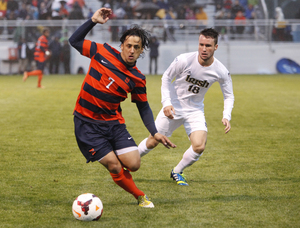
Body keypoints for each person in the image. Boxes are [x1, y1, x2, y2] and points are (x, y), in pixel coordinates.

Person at [69, 8, 176, 208]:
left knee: (134, 164)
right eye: (128, 45)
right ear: (122, 45)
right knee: (114, 165)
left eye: (136, 47)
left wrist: (155, 132)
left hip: (113, 124)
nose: (132, 50)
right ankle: (140, 196)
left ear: (142, 50)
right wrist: (92, 21)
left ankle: (112, 158)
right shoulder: (102, 51)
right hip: (87, 123)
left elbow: (143, 106)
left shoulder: (137, 78)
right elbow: (74, 41)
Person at [138, 28, 234, 186]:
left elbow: (229, 95)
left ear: (216, 47)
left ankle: (177, 171)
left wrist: (226, 115)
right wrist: (166, 103)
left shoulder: (221, 70)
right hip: (173, 107)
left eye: (208, 46)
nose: (203, 49)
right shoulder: (184, 59)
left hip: (195, 110)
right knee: (153, 141)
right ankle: (128, 161)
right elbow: (166, 78)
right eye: (201, 44)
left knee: (199, 146)